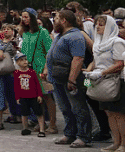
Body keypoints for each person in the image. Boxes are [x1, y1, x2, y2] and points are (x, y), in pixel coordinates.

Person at [48, 8, 93, 148]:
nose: (54, 22)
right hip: (57, 78)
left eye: (56, 19)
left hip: (70, 78)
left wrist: (72, 79)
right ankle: (70, 133)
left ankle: (83, 136)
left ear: (64, 21)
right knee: (65, 108)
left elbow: (78, 58)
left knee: (78, 107)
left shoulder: (75, 36)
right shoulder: (60, 36)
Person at [86, 15, 125, 152]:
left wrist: (102, 73)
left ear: (109, 26)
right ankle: (115, 142)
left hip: (114, 81)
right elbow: (95, 60)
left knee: (118, 114)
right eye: (96, 24)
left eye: (101, 24)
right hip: (101, 82)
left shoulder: (117, 42)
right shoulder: (98, 43)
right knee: (109, 114)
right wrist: (89, 71)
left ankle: (123, 144)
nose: (97, 27)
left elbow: (120, 63)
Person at [21, 7, 58, 134]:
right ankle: (41, 122)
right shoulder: (25, 33)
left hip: (41, 67)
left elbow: (49, 52)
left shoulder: (43, 32)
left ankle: (53, 124)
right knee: (36, 97)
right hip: (29, 68)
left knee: (47, 96)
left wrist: (46, 68)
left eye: (26, 16)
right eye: (23, 17)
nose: (24, 19)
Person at [14, 52, 49, 137]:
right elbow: (16, 86)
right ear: (17, 63)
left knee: (39, 113)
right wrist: (17, 97)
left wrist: (39, 95)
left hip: (33, 96)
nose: (24, 61)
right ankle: (25, 128)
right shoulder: (16, 73)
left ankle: (41, 129)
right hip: (23, 96)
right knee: (24, 113)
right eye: (21, 60)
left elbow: (37, 84)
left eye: (25, 59)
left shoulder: (32, 72)